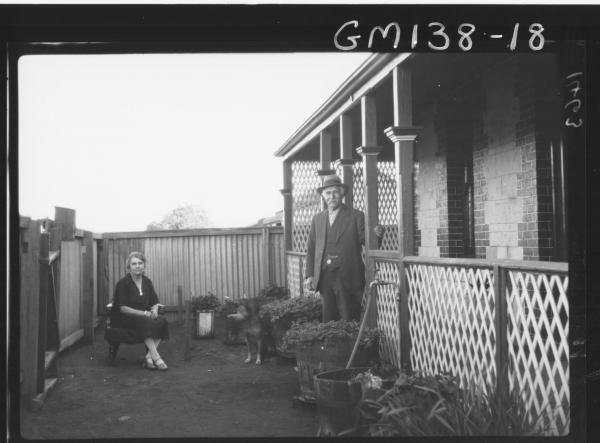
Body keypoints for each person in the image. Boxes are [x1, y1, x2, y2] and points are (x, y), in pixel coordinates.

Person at [304, 174, 383, 322]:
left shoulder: (356, 216)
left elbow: (369, 243)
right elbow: (311, 248)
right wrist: (310, 274)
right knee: (328, 318)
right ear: (323, 196)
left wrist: (377, 235)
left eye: (335, 192)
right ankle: (332, 345)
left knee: (349, 317)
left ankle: (351, 345)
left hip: (348, 276)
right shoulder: (317, 219)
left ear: (342, 194)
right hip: (324, 276)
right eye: (328, 193)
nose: (332, 196)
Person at [112, 251, 170, 370]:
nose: (137, 266)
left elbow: (155, 301)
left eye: (140, 263)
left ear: (144, 265)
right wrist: (144, 313)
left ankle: (149, 357)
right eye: (134, 264)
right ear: (129, 267)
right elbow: (122, 308)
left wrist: (154, 309)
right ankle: (157, 357)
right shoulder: (123, 283)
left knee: (162, 321)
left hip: (144, 316)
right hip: (124, 318)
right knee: (144, 322)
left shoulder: (147, 282)